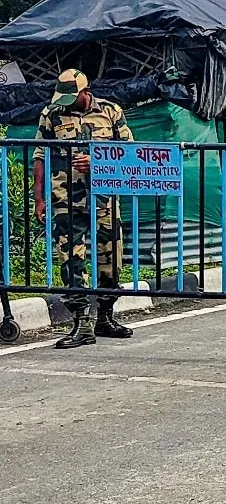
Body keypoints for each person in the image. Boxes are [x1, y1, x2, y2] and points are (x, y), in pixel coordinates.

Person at [32, 69, 136, 349]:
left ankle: (105, 316)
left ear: (85, 91)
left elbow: (129, 153)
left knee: (110, 257)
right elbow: (39, 155)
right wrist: (39, 199)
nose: (66, 102)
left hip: (104, 199)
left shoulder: (111, 112)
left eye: (72, 96)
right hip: (65, 199)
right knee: (71, 259)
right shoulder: (51, 114)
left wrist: (97, 162)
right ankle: (81, 322)